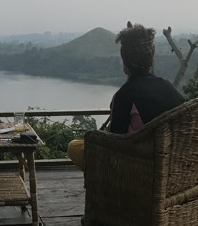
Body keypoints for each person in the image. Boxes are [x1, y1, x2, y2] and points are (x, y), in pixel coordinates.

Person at [67, 22, 185, 170]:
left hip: (134, 166)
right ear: (151, 59)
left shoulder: (125, 95)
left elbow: (114, 142)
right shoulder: (168, 88)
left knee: (74, 146)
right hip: (168, 164)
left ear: (125, 62)